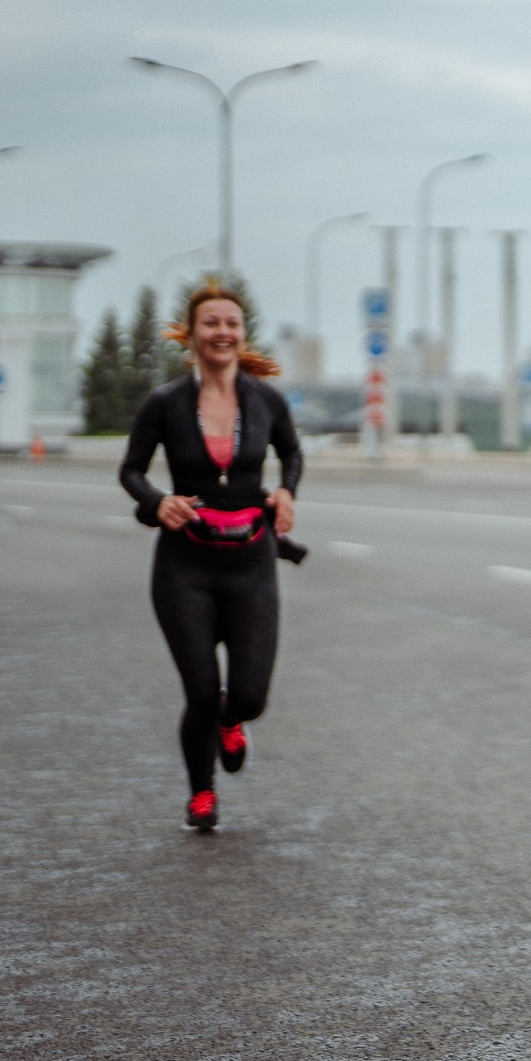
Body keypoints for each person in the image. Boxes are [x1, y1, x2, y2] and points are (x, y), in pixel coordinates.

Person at [118, 285, 304, 832]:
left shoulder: (266, 401)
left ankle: (231, 719)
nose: (222, 332)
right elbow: (131, 470)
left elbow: (292, 452)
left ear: (242, 334)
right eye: (211, 323)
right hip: (185, 565)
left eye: (231, 323)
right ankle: (201, 793)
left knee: (249, 696)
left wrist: (286, 491)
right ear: (192, 334)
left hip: (251, 562)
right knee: (199, 690)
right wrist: (158, 502)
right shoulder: (165, 403)